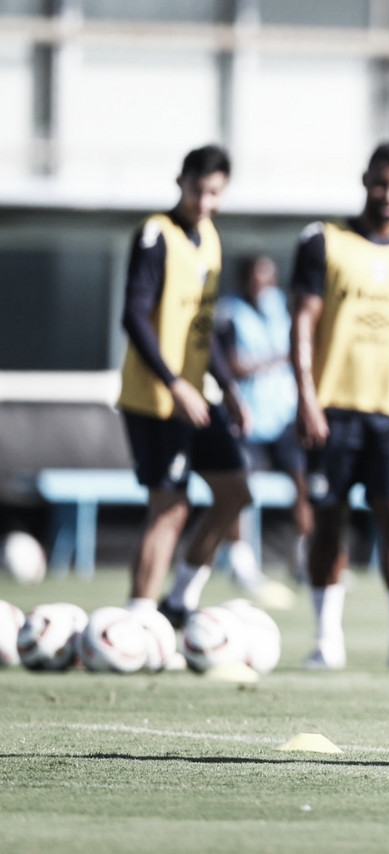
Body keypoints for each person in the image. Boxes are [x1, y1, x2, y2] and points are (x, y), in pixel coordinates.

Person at [290, 141, 389, 670]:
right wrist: (308, 398)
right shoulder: (324, 242)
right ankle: (325, 640)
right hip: (335, 408)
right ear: (366, 180)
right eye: (382, 183)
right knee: (329, 522)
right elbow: (303, 324)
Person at [117, 144, 252, 629]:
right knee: (171, 507)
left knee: (235, 493)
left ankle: (178, 602)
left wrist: (230, 389)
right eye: (199, 190)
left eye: (215, 193)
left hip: (197, 398)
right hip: (155, 399)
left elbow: (204, 328)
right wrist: (174, 384)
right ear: (181, 182)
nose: (205, 201)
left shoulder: (210, 240)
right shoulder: (156, 235)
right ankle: (136, 624)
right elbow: (133, 316)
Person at [214, 254, 310, 603]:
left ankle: (304, 558)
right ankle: (241, 564)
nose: (261, 284)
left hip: (282, 415)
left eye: (267, 277)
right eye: (255, 277)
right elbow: (232, 365)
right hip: (246, 416)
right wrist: (276, 359)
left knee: (302, 486)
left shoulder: (282, 309)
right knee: (241, 491)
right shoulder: (229, 312)